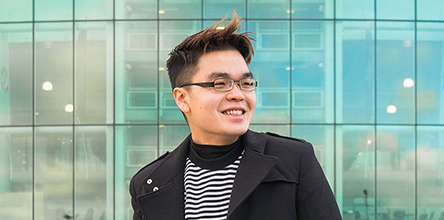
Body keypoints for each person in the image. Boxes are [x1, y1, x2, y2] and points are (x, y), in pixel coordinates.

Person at [129, 11, 341, 220]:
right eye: (220, 84)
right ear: (182, 98)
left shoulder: (294, 160)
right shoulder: (149, 183)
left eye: (246, 83)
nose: (238, 94)